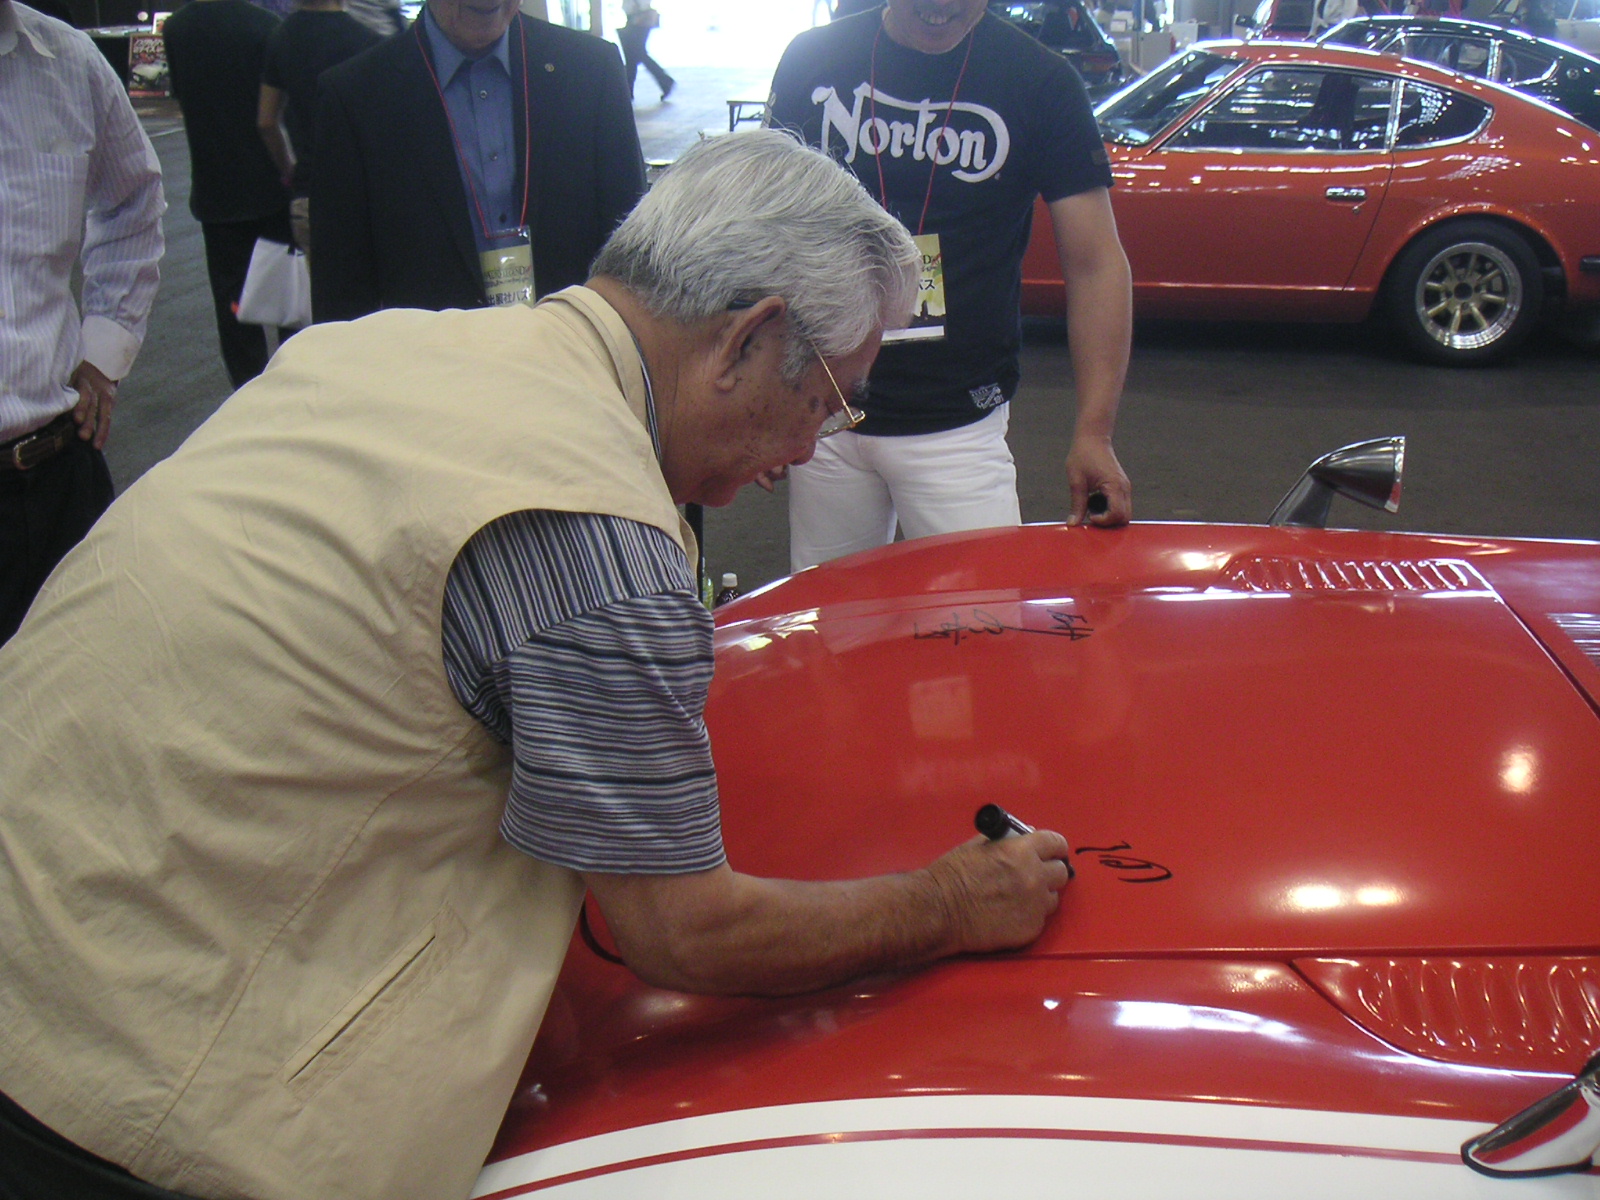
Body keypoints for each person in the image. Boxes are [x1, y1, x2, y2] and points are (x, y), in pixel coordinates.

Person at [0, 130, 1073, 1200]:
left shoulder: (384, 346)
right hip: (129, 1107)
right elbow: (684, 932)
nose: (804, 454)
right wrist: (948, 903)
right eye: (827, 402)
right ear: (748, 339)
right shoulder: (591, 529)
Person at [768, 0, 1134, 572]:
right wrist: (766, 394)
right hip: (825, 411)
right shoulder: (814, 58)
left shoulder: (1038, 80)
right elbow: (768, 226)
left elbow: (1095, 264)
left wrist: (1096, 432)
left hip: (958, 422)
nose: (941, 7)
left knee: (982, 616)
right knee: (828, 617)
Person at [310, 0, 646, 321]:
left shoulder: (590, 70)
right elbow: (341, 290)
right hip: (432, 354)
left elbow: (632, 251)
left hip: (571, 348)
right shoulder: (357, 97)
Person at [0, 0, 164, 646]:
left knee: (90, 686)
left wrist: (102, 352)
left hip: (60, 479)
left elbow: (133, 198)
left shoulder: (67, 63)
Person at [162, 0, 296, 388]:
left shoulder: (176, 28)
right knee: (288, 304)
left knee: (234, 307)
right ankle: (294, 385)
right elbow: (276, 113)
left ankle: (247, 393)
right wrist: (290, 169)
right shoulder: (266, 26)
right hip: (269, 187)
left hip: (215, 188)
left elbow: (181, 97)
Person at [258, 0, 382, 260]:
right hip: (361, 195)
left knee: (320, 283)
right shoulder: (367, 40)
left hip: (309, 192)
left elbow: (266, 122)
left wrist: (288, 171)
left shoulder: (280, 36)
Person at [619, 0, 673, 101]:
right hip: (637, 20)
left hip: (638, 21)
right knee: (634, 56)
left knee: (636, 54)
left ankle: (665, 80)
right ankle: (628, 90)